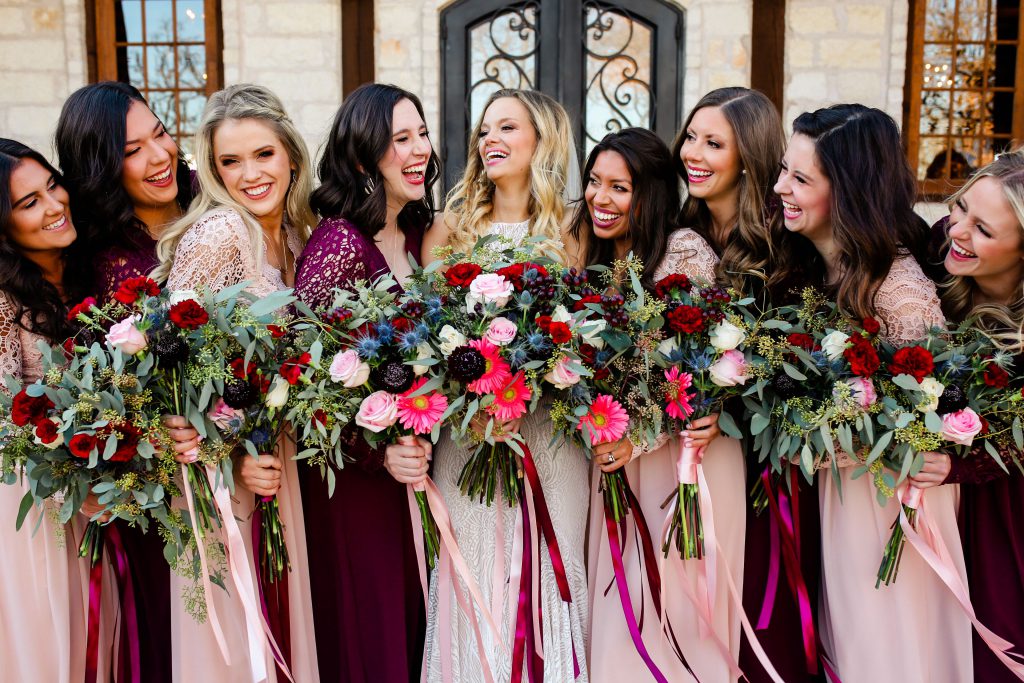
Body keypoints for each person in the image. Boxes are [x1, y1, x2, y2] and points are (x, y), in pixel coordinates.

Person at [773, 104, 971, 681]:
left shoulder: (900, 290)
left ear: (850, 192)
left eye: (801, 179)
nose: (782, 187)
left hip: (894, 508)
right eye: (785, 170)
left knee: (886, 650)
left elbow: (933, 408)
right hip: (844, 494)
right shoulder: (823, 267)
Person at [419, 88, 590, 682]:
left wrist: (532, 388)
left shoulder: (573, 231)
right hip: (470, 437)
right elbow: (428, 339)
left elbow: (586, 339)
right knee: (474, 570)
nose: (489, 139)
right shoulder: (450, 230)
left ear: (542, 140)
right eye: (485, 129)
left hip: (549, 437)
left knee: (553, 565)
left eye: (507, 128)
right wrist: (477, 400)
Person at [153, 83, 319, 683]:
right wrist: (236, 453)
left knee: (278, 634)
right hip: (226, 475)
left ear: (291, 155)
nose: (250, 174)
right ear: (214, 169)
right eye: (230, 161)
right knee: (235, 644)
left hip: (275, 462)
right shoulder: (222, 233)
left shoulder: (298, 236)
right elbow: (172, 369)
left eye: (263, 155)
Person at [567, 127, 736, 681]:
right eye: (594, 182)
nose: (600, 198)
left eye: (620, 188)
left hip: (681, 465)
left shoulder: (682, 251)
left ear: (653, 194)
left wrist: (636, 437)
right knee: (619, 622)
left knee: (674, 619)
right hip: (618, 461)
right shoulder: (592, 253)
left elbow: (698, 369)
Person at [672, 86, 824, 681]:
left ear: (749, 157)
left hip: (762, 468)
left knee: (759, 616)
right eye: (691, 137)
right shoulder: (680, 232)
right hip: (689, 456)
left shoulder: (783, 252)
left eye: (714, 143)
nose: (694, 154)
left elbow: (793, 364)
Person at [293, 82, 439, 683]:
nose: (420, 150)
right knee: (371, 632)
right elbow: (305, 384)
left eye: (422, 133)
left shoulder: (412, 238)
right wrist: (380, 453)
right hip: (354, 485)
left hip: (411, 470)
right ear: (361, 160)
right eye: (400, 139)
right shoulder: (338, 244)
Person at [55, 82, 200, 681]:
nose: (159, 155)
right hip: (161, 488)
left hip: (249, 465)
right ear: (100, 168)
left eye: (160, 133)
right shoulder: (97, 260)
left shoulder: (215, 206)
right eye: (132, 150)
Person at [917, 150, 1024, 682]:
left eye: (983, 229)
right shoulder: (939, 251)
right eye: (959, 208)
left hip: (1003, 508)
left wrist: (963, 464)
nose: (957, 230)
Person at [0, 138, 102, 681]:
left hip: (107, 496)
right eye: (28, 202)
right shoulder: (4, 301)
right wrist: (77, 487)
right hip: (39, 507)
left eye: (52, 185)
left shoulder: (89, 270)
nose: (54, 204)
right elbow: (5, 422)